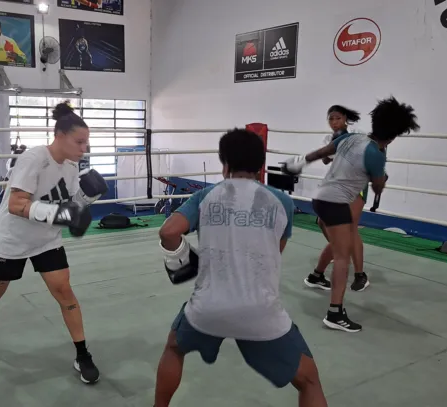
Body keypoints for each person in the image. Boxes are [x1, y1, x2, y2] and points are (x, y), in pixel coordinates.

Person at [154, 129, 328, 407]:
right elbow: (275, 252)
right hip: (261, 312)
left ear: (224, 164)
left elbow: (168, 232)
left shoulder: (206, 196)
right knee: (309, 381)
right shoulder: (283, 203)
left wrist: (183, 258)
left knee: (174, 348)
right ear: (260, 166)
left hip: (207, 309)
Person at [0, 102, 109, 385]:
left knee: (65, 293)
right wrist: (61, 215)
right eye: (79, 141)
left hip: (46, 241)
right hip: (11, 240)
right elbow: (17, 204)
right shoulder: (34, 159)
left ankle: (82, 353)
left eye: (86, 142)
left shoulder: (72, 166)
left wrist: (84, 202)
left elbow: (68, 204)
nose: (84, 148)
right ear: (60, 136)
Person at [283, 97, 419, 333]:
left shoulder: (352, 137)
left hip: (321, 199)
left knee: (341, 246)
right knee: (343, 257)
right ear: (396, 134)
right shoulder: (376, 154)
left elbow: (324, 151)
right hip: (335, 203)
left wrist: (300, 162)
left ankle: (317, 277)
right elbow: (377, 187)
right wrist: (380, 178)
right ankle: (334, 313)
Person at [304, 105, 370, 292]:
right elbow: (325, 159)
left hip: (356, 186)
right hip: (336, 186)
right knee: (324, 224)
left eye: (337, 118)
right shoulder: (329, 138)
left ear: (345, 119)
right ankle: (321, 272)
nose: (334, 122)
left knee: (349, 229)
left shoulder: (357, 134)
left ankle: (359, 275)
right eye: (331, 119)